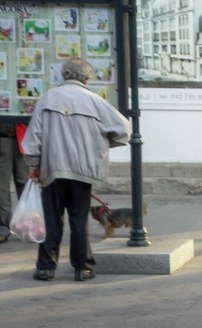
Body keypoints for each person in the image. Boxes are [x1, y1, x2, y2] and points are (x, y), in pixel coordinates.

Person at [22, 58, 129, 281]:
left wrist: (34, 165)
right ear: (87, 78)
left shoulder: (48, 97)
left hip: (52, 168)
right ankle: (83, 268)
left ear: (64, 75)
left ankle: (45, 267)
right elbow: (123, 129)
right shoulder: (94, 101)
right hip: (83, 170)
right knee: (79, 220)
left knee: (52, 219)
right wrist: (102, 143)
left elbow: (34, 137)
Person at [0, 123, 28, 243]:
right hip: (2, 137)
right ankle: (2, 227)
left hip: (23, 136)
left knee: (25, 184)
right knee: (2, 186)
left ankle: (28, 225)